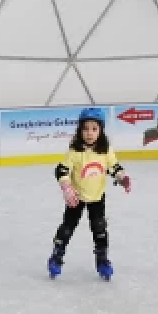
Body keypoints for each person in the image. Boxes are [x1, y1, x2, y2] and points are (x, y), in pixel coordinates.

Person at [47, 107, 131, 280]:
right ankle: (56, 256)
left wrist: (122, 178)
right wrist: (66, 187)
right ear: (80, 130)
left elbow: (113, 166)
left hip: (97, 198)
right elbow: (61, 170)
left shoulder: (105, 150)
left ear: (101, 130)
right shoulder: (75, 151)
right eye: (85, 129)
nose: (89, 133)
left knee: (99, 228)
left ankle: (102, 259)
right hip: (76, 197)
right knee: (67, 228)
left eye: (94, 128)